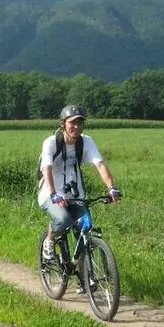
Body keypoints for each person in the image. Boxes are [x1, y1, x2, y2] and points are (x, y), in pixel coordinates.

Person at [38, 105, 121, 293]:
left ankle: (84, 278)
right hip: (50, 193)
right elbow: (46, 169)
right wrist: (53, 193)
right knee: (63, 220)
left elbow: (99, 165)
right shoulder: (51, 142)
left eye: (80, 122)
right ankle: (50, 239)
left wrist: (112, 188)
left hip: (76, 195)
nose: (76, 126)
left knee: (85, 230)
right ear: (63, 124)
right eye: (72, 123)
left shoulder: (86, 142)